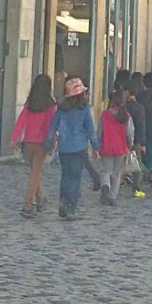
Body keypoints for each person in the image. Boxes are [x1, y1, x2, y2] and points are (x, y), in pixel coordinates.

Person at [48, 77, 99, 220]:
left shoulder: (61, 110)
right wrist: (96, 147)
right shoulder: (84, 110)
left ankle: (63, 201)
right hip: (79, 148)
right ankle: (70, 208)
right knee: (75, 178)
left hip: (64, 148)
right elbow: (90, 130)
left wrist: (49, 143)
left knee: (66, 175)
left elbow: (52, 127)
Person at [12, 74, 56, 217]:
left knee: (35, 172)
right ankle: (28, 204)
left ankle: (40, 198)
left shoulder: (30, 103)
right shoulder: (50, 105)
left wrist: (14, 137)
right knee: (35, 173)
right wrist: (53, 142)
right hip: (42, 143)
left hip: (29, 143)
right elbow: (52, 126)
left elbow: (21, 121)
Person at [96, 87, 133, 206]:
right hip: (121, 148)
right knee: (117, 174)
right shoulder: (126, 116)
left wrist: (96, 145)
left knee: (106, 170)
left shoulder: (105, 114)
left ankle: (105, 185)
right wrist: (130, 143)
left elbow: (99, 132)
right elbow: (130, 133)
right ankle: (112, 196)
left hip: (107, 146)